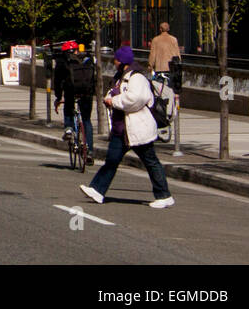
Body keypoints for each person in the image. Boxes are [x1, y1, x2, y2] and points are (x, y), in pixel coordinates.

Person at [81, 44, 173, 208]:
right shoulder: (121, 76)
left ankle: (164, 195)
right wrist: (109, 97)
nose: (114, 62)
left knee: (151, 161)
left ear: (122, 61)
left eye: (116, 59)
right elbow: (113, 91)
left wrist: (114, 101)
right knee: (112, 160)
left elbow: (136, 99)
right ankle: (97, 190)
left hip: (137, 128)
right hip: (122, 129)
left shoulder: (137, 78)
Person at [54, 41, 96, 163]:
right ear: (77, 50)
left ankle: (68, 127)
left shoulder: (62, 61)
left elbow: (57, 81)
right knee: (87, 120)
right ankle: (90, 151)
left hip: (70, 92)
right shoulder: (88, 59)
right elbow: (94, 78)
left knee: (68, 108)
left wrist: (57, 97)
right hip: (86, 93)